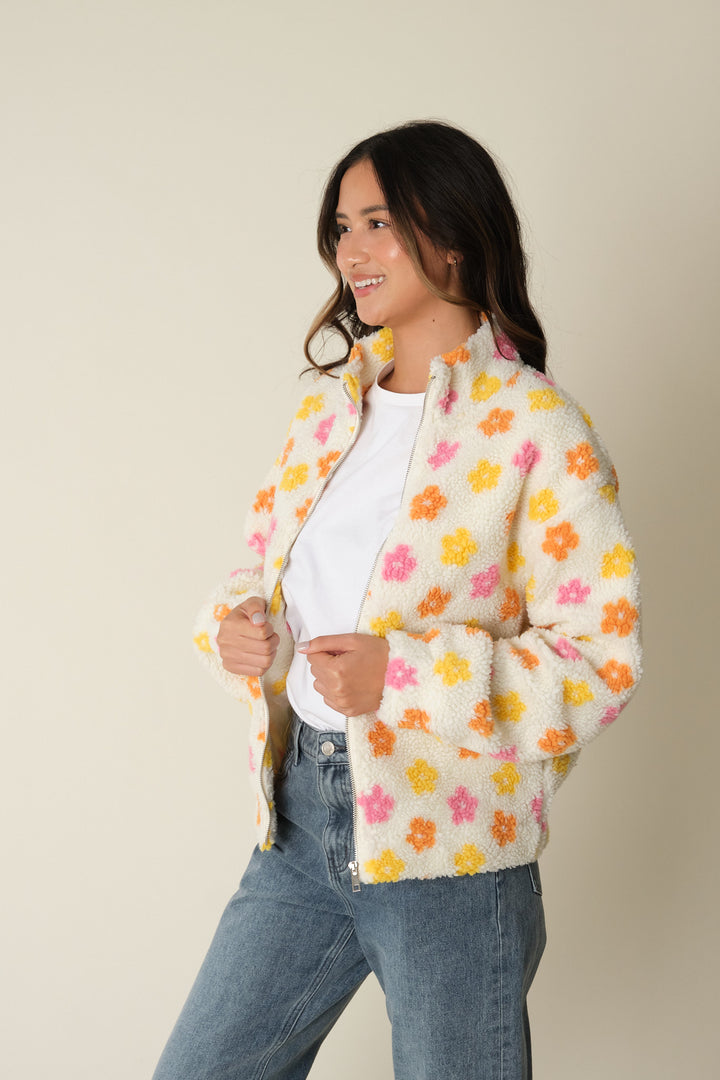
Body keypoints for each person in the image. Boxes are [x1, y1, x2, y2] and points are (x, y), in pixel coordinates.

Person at [153, 120, 643, 1080]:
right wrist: (237, 629)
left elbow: (600, 663)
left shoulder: (537, 426)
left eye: (378, 222)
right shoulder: (329, 408)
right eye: (342, 227)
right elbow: (263, 570)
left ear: (452, 234)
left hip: (452, 851)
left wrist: (404, 677)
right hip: (301, 821)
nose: (351, 251)